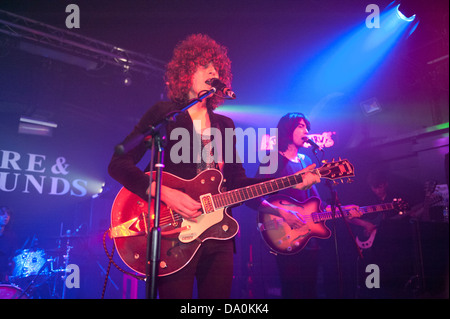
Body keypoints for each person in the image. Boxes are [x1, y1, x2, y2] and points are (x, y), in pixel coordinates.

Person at [108, 34, 320, 299]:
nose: (212, 71)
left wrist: (291, 181)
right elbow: (118, 162)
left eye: (216, 67)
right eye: (203, 66)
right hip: (172, 236)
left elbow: (237, 182)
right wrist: (161, 191)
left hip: (219, 236)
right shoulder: (164, 115)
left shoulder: (225, 125)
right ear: (185, 73)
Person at [249, 112, 360, 299]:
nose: (306, 131)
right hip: (282, 233)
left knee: (310, 289)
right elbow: (253, 198)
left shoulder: (306, 161)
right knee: (292, 290)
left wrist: (342, 210)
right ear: (287, 130)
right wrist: (283, 213)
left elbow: (315, 202)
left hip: (308, 235)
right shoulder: (271, 160)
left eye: (307, 127)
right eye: (300, 126)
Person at [0, 206, 17, 283]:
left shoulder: (11, 235)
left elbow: (13, 254)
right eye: (3, 214)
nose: (6, 216)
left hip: (4, 273)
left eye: (8, 214)